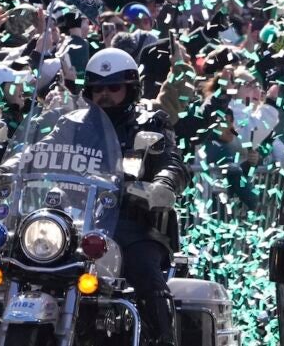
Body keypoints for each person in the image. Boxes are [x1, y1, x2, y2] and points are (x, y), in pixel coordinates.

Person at [80, 47, 188, 346]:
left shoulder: (150, 121)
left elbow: (171, 161)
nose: (105, 94)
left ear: (130, 88)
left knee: (142, 269)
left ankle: (163, 339)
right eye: (98, 88)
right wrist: (13, 167)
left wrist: (163, 184)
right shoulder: (75, 123)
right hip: (80, 223)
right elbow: (44, 150)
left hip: (135, 223)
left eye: (113, 87)